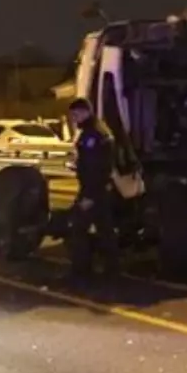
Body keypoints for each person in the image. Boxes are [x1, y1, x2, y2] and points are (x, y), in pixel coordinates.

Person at [65, 97, 119, 279]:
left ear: (87, 112)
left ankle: (81, 272)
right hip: (99, 189)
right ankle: (111, 270)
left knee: (78, 229)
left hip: (93, 190)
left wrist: (89, 196)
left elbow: (96, 167)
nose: (74, 118)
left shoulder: (93, 135)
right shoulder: (97, 131)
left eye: (76, 114)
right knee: (105, 230)